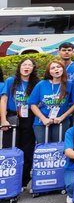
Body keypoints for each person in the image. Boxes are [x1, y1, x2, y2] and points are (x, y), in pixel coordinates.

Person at [0, 58, 40, 187]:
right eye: (24, 64)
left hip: (29, 117)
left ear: (33, 68)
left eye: (30, 65)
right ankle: (9, 180)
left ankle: (23, 181)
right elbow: (4, 100)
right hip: (12, 117)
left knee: (27, 149)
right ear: (20, 67)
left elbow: (39, 101)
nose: (27, 67)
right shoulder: (11, 81)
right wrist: (3, 119)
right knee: (10, 148)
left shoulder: (36, 83)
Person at [29, 58, 74, 143]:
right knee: (42, 147)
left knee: (59, 146)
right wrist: (43, 118)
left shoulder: (70, 84)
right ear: (49, 72)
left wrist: (62, 117)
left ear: (63, 69)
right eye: (53, 68)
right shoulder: (41, 84)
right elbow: (32, 104)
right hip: (42, 122)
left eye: (58, 67)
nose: (56, 69)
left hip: (61, 121)